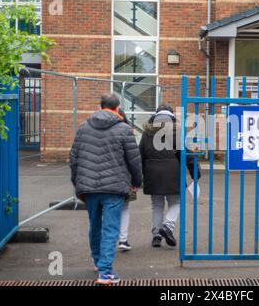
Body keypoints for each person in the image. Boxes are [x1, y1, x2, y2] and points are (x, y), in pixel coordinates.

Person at [70, 94, 142, 285]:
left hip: (89, 188)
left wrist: (77, 183)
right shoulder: (125, 129)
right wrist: (137, 182)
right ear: (118, 108)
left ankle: (97, 262)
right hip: (115, 188)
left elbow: (74, 159)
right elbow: (134, 161)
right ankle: (106, 273)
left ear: (100, 106)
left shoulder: (83, 128)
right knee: (111, 229)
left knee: (95, 226)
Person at [139, 104, 200, 248]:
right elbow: (186, 155)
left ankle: (156, 236)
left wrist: (140, 175)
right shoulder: (177, 131)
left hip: (152, 173)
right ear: (172, 116)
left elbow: (140, 154)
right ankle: (167, 226)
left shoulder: (147, 132)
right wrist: (195, 173)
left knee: (157, 205)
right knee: (176, 203)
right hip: (173, 173)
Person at [117, 108, 135, 252]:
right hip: (124, 177)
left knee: (105, 210)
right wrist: (136, 181)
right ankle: (123, 239)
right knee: (124, 208)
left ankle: (106, 241)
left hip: (100, 180)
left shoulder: (94, 129)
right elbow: (133, 159)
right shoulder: (128, 131)